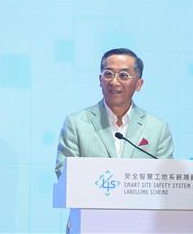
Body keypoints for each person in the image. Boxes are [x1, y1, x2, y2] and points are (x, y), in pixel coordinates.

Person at [55, 48, 174, 178]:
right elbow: (64, 173)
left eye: (123, 75)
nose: (114, 82)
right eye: (108, 74)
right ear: (100, 80)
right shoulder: (76, 124)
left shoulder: (158, 128)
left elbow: (166, 178)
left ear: (138, 84)